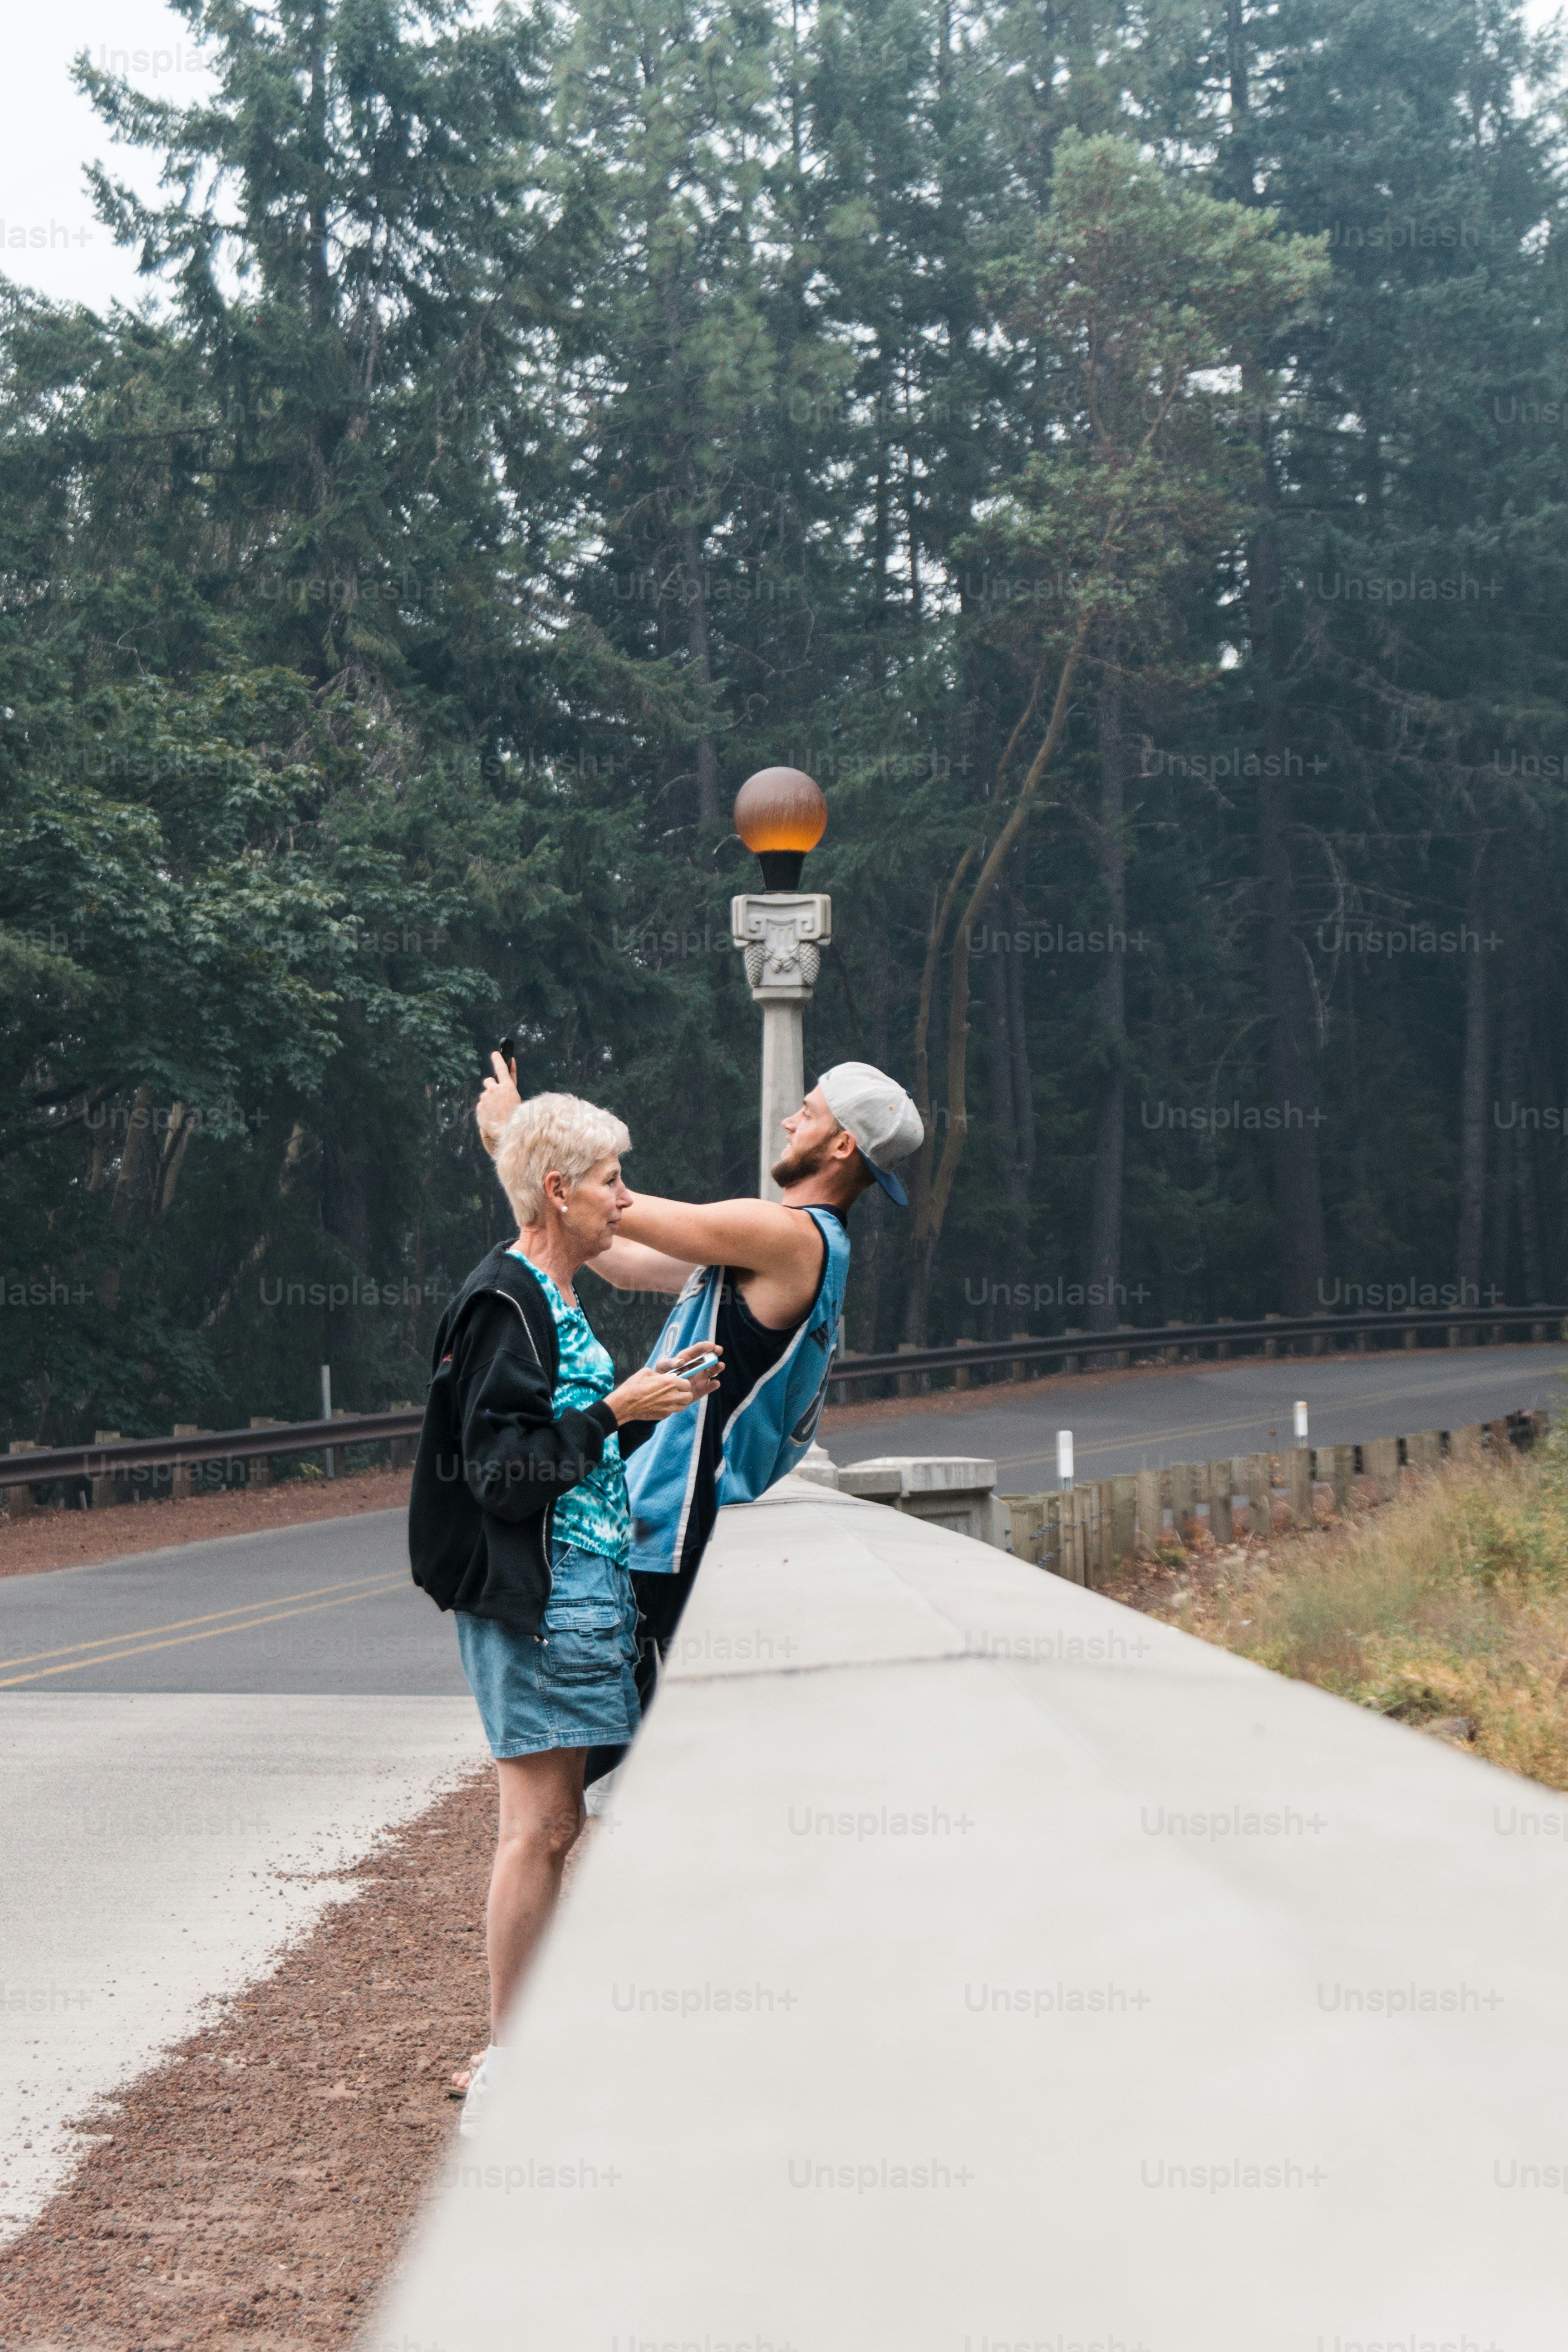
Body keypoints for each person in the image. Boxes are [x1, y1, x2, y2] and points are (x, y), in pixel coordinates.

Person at [407, 1089, 719, 2138]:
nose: (624, 1200)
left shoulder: (555, 1290)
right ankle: (511, 2057)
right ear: (558, 1191)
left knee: (554, 1824)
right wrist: (615, 1409)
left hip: (577, 1587)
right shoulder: (510, 1301)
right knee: (538, 1829)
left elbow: (565, 1463)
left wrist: (642, 1404)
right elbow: (504, 1476)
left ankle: (529, 2041)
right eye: (612, 1182)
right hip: (537, 1602)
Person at [475, 1059, 924, 1761]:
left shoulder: (787, 1236)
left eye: (807, 1113)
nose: (788, 1120)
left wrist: (518, 1137)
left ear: (841, 1147)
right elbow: (619, 1257)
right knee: (594, 1754)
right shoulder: (787, 1248)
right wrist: (538, 1189)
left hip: (677, 1525)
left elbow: (618, 1206)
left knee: (585, 1756)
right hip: (672, 1526)